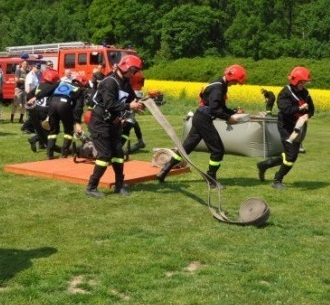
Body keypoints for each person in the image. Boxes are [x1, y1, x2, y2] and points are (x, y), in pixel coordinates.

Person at [156, 64, 248, 188]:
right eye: (236, 82)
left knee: (186, 148)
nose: (235, 84)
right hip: (204, 119)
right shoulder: (218, 88)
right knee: (217, 150)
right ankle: (211, 179)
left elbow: (220, 107)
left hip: (199, 117)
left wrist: (233, 112)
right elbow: (215, 110)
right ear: (231, 78)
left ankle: (164, 171)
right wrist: (229, 118)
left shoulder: (219, 84)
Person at [85, 55, 146, 198]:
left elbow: (131, 99)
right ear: (124, 67)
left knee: (119, 154)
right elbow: (109, 104)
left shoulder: (125, 83)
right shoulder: (109, 82)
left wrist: (138, 104)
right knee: (105, 155)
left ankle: (119, 186)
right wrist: (129, 105)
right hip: (100, 122)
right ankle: (91, 187)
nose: (133, 74)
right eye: (132, 70)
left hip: (114, 123)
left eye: (135, 71)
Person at [256, 66, 315, 190]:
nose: (304, 85)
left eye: (305, 82)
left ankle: (264, 165)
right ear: (295, 81)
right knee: (291, 156)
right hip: (285, 126)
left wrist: (306, 115)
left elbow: (312, 109)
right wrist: (300, 108)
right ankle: (277, 180)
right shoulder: (285, 92)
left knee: (288, 154)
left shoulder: (305, 93)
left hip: (299, 126)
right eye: (302, 82)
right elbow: (286, 110)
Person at [46, 69, 85, 159]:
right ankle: (64, 152)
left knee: (53, 130)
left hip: (52, 103)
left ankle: (49, 153)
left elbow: (50, 95)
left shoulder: (62, 84)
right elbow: (78, 108)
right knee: (68, 130)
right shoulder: (79, 89)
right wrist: (77, 122)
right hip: (64, 105)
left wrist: (49, 113)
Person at [26, 68, 60, 152]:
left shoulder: (39, 85)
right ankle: (33, 139)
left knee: (42, 128)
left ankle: (41, 144)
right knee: (50, 129)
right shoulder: (52, 87)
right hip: (45, 109)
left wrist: (30, 101)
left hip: (37, 108)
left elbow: (30, 94)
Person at [10, 55, 30, 124]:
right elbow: (16, 80)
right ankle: (11, 118)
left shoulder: (28, 72)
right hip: (18, 89)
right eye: (24, 64)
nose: (25, 65)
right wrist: (22, 80)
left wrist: (22, 80)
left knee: (24, 105)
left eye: (26, 64)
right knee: (15, 104)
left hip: (25, 89)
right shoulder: (18, 71)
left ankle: (21, 119)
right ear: (21, 64)